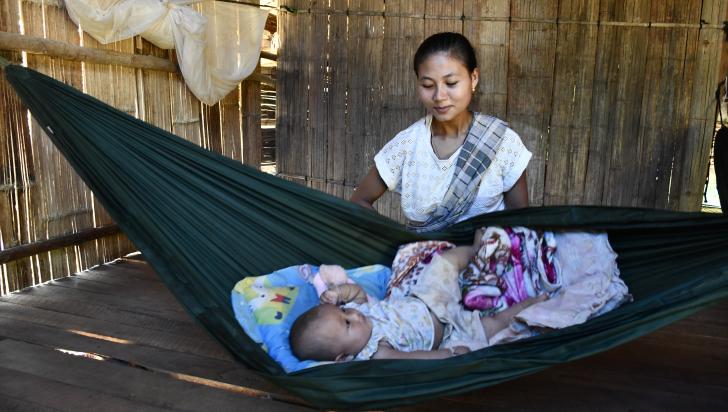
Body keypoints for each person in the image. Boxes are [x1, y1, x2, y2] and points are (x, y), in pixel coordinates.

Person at [350, 32, 531, 232]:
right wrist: (398, 242)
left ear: (473, 78)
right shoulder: (407, 145)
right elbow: (359, 201)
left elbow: (520, 224)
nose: (439, 96)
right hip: (425, 259)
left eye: (451, 83)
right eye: (428, 85)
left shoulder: (502, 143)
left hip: (487, 258)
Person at [289, 231, 547, 362]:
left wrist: (338, 293)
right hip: (446, 335)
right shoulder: (376, 353)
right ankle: (534, 305)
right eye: (347, 323)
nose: (353, 315)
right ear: (342, 357)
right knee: (492, 327)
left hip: (427, 299)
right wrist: (446, 356)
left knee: (444, 263)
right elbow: (413, 360)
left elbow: (356, 294)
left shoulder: (362, 314)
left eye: (344, 312)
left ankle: (477, 250)